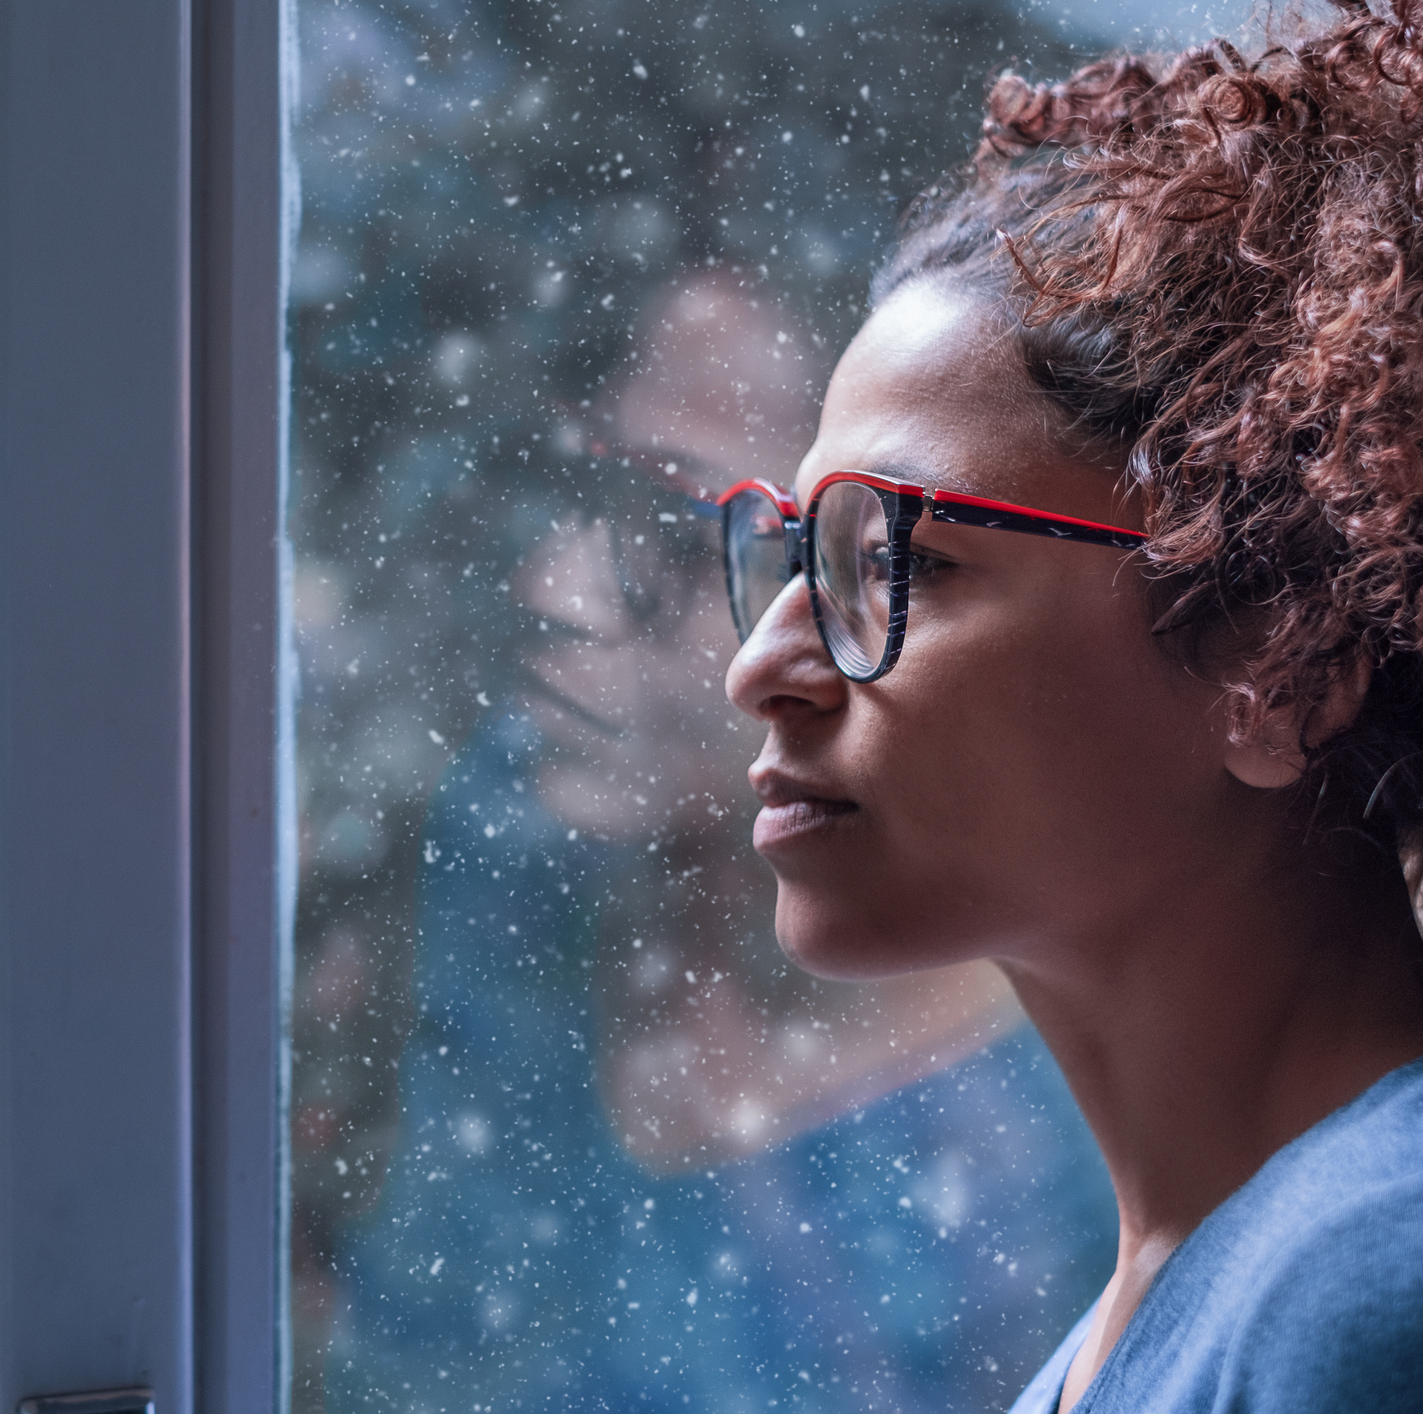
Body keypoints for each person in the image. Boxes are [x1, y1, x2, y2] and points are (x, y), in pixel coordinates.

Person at [715, 3, 1423, 1411]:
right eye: (792, 555)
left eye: (893, 561)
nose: (759, 664)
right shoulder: (1146, 1327)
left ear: (1283, 666)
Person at [323, 275, 1117, 1412]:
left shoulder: (1036, 1131)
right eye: (578, 499)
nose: (557, 588)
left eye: (681, 544)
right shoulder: (517, 849)